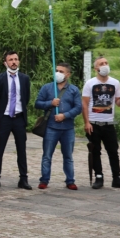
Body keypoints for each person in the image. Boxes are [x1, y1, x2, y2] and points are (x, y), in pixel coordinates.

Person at [82, 57, 120, 190]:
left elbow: (118, 103)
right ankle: (99, 177)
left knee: (113, 151)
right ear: (96, 68)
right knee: (95, 151)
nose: (104, 65)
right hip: (94, 123)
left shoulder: (115, 83)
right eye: (101, 64)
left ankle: (117, 177)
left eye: (106, 63)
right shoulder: (90, 83)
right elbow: (85, 104)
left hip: (108, 124)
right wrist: (86, 122)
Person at [35, 62, 82, 190]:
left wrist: (65, 115)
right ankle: (44, 180)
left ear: (68, 74)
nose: (58, 73)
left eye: (61, 71)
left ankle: (70, 180)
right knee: (47, 156)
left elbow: (78, 108)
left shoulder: (74, 90)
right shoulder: (47, 88)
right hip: (51, 127)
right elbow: (37, 103)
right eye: (57, 70)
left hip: (68, 129)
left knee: (68, 156)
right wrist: (50, 103)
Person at [0, 51, 31, 190]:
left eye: (16, 59)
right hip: (5, 118)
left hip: (19, 118)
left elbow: (26, 97)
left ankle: (23, 179)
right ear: (5, 62)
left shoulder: (24, 78)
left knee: (21, 149)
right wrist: (3, 111)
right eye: (10, 60)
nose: (13, 62)